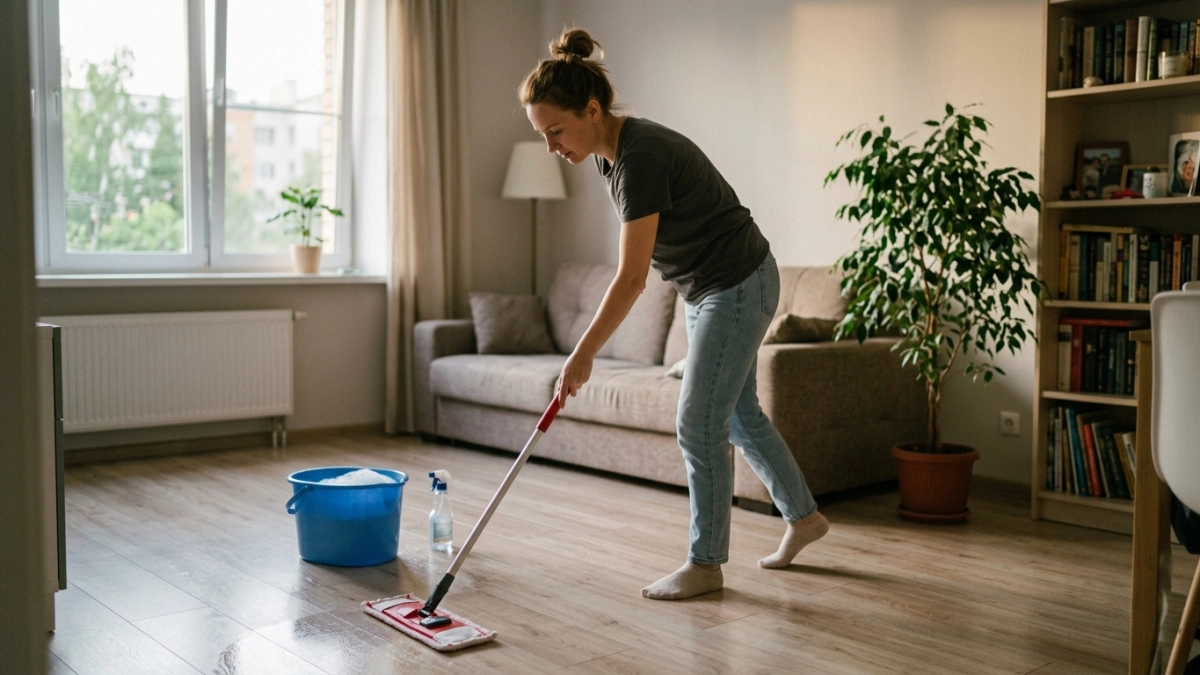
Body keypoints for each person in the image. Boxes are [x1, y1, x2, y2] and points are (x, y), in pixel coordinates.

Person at [518, 28, 828, 601]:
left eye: (555, 130)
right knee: (736, 417)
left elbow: (632, 278)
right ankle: (805, 519)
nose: (552, 146)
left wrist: (581, 354)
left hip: (736, 284)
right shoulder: (609, 158)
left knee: (697, 423)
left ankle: (706, 565)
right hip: (709, 289)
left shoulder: (642, 157)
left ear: (591, 109)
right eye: (542, 135)